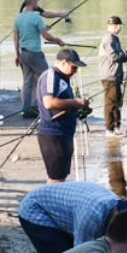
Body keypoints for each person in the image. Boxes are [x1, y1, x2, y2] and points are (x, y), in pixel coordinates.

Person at [18, 181, 127, 253]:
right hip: (35, 208)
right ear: (116, 210)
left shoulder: (114, 209)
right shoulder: (91, 215)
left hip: (66, 211)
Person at [36, 49, 88, 183]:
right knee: (56, 178)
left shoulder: (62, 78)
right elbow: (49, 102)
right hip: (53, 134)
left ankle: (53, 203)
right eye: (74, 67)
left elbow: (63, 103)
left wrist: (77, 108)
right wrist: (75, 102)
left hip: (63, 133)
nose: (75, 70)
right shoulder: (51, 75)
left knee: (61, 176)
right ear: (64, 62)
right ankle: (49, 203)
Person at [14, 0, 65, 119]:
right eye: (37, 1)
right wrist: (57, 40)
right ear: (33, 3)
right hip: (35, 53)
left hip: (23, 54)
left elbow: (16, 38)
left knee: (27, 83)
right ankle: (37, 105)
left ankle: (26, 109)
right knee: (48, 78)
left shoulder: (18, 18)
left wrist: (17, 55)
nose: (38, 4)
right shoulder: (37, 17)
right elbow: (46, 36)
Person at [97, 15, 127, 137]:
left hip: (114, 75)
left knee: (116, 101)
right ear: (116, 26)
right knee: (111, 102)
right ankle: (110, 130)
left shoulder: (112, 38)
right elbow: (114, 57)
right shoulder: (109, 39)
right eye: (119, 26)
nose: (120, 28)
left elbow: (118, 56)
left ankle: (117, 127)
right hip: (110, 75)